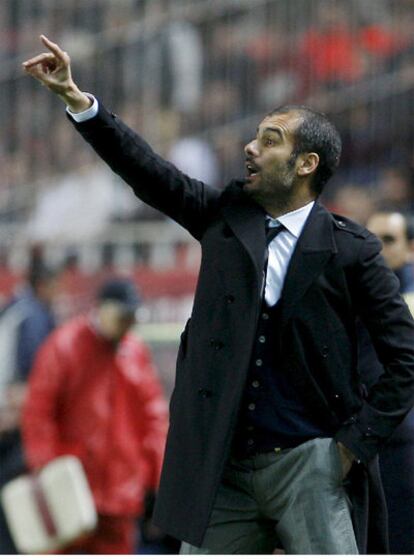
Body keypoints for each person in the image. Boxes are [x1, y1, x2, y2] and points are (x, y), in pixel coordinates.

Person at [21, 36, 414, 554]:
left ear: (305, 164)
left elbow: (404, 358)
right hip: (224, 469)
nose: (250, 148)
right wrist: (77, 100)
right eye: (254, 137)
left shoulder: (353, 250)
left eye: (270, 140)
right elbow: (147, 171)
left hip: (310, 467)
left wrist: (348, 449)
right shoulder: (225, 218)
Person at [21, 278, 168, 554]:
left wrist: (157, 480)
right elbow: (39, 411)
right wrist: (46, 470)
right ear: (100, 308)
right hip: (71, 489)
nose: (128, 323)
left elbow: (153, 418)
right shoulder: (65, 346)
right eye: (122, 315)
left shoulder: (134, 352)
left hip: (121, 492)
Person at [358, 211, 414, 554]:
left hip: (404, 441)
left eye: (388, 240)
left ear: (410, 248)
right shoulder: (353, 294)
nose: (378, 248)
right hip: (364, 439)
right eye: (372, 239)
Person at [0, 262, 58, 554]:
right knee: (20, 510)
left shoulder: (12, 308)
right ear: (45, 284)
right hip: (16, 425)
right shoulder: (34, 315)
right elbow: (34, 376)